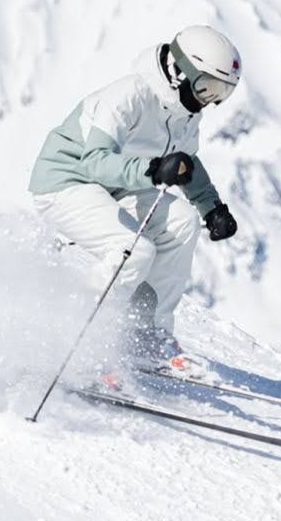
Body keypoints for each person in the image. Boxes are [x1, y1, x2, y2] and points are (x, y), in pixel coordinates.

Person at [29, 24, 243, 365]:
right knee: (134, 250)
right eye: (207, 87)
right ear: (180, 71)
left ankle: (148, 335)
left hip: (118, 186)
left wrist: (210, 207)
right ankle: (83, 339)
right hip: (66, 182)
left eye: (222, 92)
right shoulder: (129, 95)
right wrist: (155, 169)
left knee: (184, 224)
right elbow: (95, 161)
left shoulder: (185, 113)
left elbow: (187, 161)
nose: (211, 100)